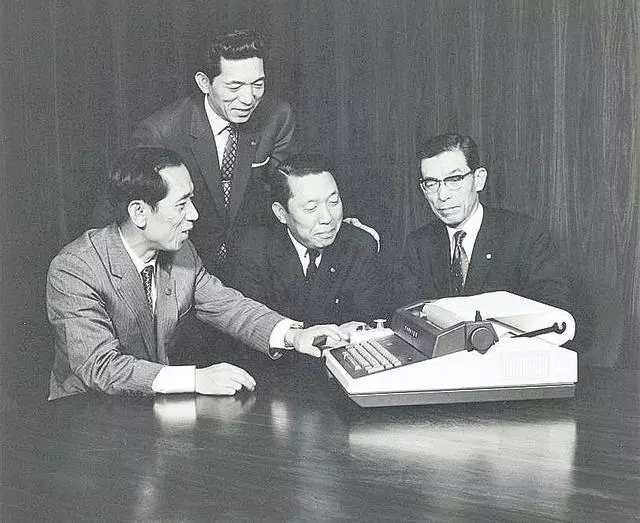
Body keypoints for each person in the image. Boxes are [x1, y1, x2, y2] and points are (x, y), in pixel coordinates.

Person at [47, 148, 345, 401]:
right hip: (87, 410)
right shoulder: (75, 268)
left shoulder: (182, 252)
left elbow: (228, 306)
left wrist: (294, 335)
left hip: (152, 406)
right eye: (181, 204)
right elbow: (99, 366)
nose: (194, 214)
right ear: (139, 212)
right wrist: (196, 379)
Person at [92, 29, 296, 279]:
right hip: (181, 266)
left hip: (254, 265)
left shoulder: (277, 117)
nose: (248, 98)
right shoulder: (162, 132)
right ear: (204, 83)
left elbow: (285, 192)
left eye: (258, 84)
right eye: (234, 86)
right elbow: (116, 210)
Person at [394, 132, 570, 311]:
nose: (443, 195)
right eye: (431, 183)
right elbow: (408, 316)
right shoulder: (418, 244)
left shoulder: (527, 236)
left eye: (454, 180)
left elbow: (552, 313)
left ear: (479, 180)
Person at [228, 154, 386, 327]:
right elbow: (254, 329)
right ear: (281, 213)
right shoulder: (252, 252)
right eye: (311, 208)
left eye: (333, 202)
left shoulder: (360, 246)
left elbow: (368, 323)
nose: (327, 218)